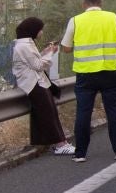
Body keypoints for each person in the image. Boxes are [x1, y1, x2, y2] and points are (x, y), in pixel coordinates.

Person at [59, 0, 116, 161]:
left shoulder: (75, 20)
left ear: (84, 5)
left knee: (83, 112)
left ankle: (80, 153)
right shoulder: (112, 17)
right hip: (110, 71)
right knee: (113, 110)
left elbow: (67, 48)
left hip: (85, 74)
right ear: (101, 3)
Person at [10, 17, 72, 155]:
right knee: (48, 113)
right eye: (40, 29)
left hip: (38, 82)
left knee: (48, 112)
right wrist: (50, 53)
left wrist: (45, 52)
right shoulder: (24, 46)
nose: (42, 32)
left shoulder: (27, 44)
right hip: (33, 83)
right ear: (33, 30)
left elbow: (34, 60)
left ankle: (56, 143)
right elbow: (38, 65)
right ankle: (60, 145)